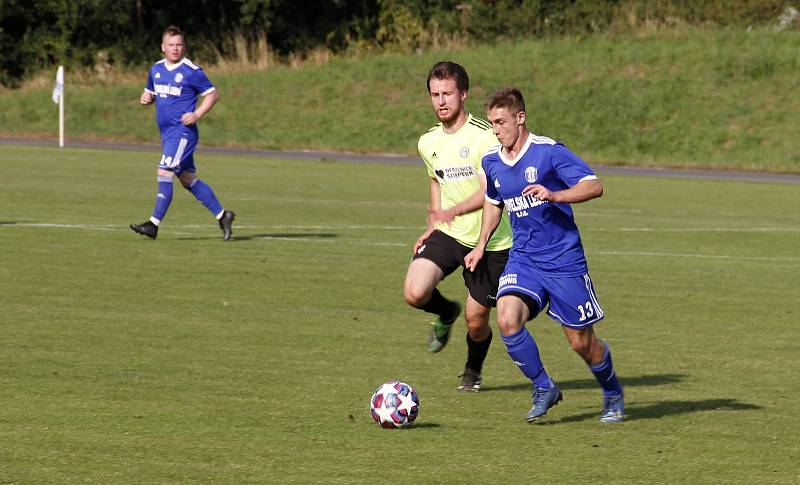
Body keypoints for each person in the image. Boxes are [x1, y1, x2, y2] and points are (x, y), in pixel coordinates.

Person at [464, 87, 624, 423]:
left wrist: (555, 194)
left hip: (564, 261)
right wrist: (480, 245)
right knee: (507, 319)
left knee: (582, 344)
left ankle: (612, 393)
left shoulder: (548, 152)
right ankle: (544, 387)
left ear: (520, 118)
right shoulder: (491, 161)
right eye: (492, 122)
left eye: (502, 121)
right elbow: (494, 203)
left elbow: (594, 185)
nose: (496, 129)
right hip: (524, 260)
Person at [403, 61, 513, 392]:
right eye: (435, 95)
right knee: (414, 292)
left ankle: (472, 370)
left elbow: (488, 192)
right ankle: (445, 311)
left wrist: (451, 211)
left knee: (477, 321)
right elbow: (435, 180)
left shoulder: (483, 138)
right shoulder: (428, 142)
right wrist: (434, 219)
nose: (441, 101)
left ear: (463, 95)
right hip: (449, 234)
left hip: (489, 241)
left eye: (447, 93)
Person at [131, 25, 235, 241]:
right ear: (163, 47)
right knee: (188, 180)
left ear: (184, 47)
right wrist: (145, 98)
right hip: (167, 134)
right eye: (171, 45)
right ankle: (223, 215)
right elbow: (149, 92)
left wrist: (196, 115)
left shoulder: (191, 72)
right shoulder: (156, 70)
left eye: (179, 45)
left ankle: (153, 224)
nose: (175, 49)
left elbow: (213, 95)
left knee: (164, 171)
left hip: (183, 134)